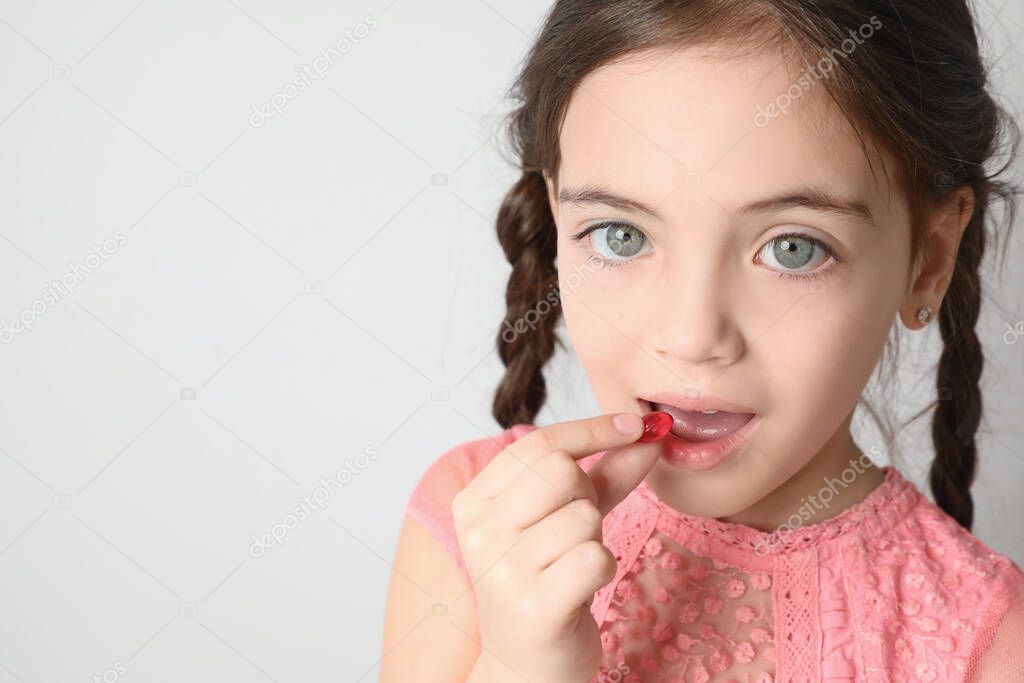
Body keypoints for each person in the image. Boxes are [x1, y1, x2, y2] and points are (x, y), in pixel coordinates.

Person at [381, 1, 1024, 680]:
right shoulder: (471, 525)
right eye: (620, 235)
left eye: (794, 248)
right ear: (555, 211)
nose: (691, 338)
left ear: (928, 259)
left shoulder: (991, 644)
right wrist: (519, 662)